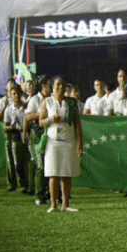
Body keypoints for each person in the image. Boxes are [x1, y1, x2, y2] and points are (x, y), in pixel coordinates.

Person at [39, 75, 83, 213]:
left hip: (69, 141)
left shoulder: (71, 102)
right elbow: (40, 121)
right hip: (52, 142)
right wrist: (50, 120)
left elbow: (77, 123)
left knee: (66, 173)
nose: (60, 87)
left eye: (63, 85)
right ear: (52, 87)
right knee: (53, 173)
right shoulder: (47, 102)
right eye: (57, 84)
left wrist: (79, 143)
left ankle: (66, 204)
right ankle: (53, 204)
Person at [24, 75, 52, 205]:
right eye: (49, 85)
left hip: (50, 135)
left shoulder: (52, 99)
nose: (51, 88)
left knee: (50, 165)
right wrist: (43, 114)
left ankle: (49, 193)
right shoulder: (35, 99)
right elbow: (28, 117)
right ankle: (39, 195)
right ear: (43, 86)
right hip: (37, 135)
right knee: (40, 166)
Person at [3, 83, 30, 194]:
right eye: (13, 94)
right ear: (10, 96)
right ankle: (21, 184)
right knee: (17, 163)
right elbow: (5, 127)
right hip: (15, 138)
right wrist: (13, 127)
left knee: (28, 162)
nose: (16, 96)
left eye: (18, 93)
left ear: (20, 94)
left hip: (27, 137)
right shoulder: (8, 110)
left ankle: (28, 184)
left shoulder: (26, 107)